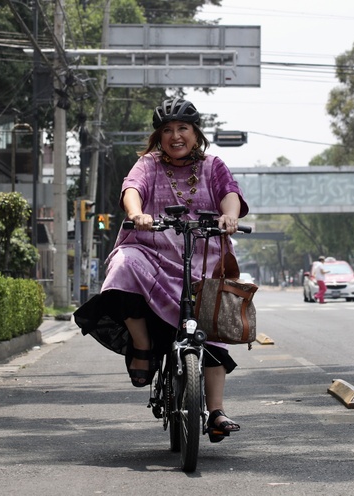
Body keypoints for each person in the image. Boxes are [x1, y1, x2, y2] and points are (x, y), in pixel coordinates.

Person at [73, 98, 248, 441]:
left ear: (196, 134)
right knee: (123, 266)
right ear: (158, 137)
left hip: (202, 258)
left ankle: (216, 411)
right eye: (167, 130)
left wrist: (229, 216)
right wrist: (137, 213)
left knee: (209, 329)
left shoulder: (214, 165)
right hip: (149, 250)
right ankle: (141, 345)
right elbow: (131, 189)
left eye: (183, 128)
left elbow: (230, 194)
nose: (175, 135)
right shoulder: (148, 164)